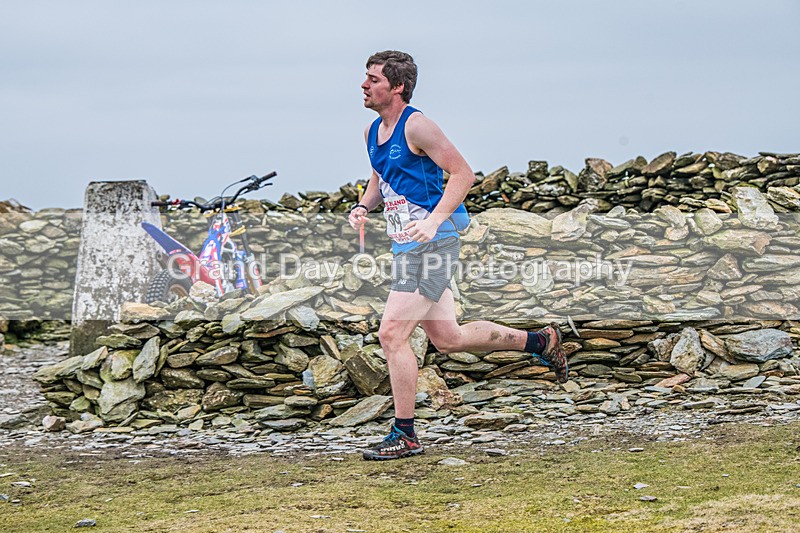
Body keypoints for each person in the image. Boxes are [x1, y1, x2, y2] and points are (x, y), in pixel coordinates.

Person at [350, 51, 568, 461]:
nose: (364, 85)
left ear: (397, 87)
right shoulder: (371, 132)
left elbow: (463, 173)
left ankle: (405, 433)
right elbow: (380, 181)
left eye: (374, 79)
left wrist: (434, 221)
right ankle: (540, 340)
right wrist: (364, 206)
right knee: (447, 338)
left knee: (391, 334)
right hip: (406, 246)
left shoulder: (418, 126)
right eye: (365, 78)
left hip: (433, 243)